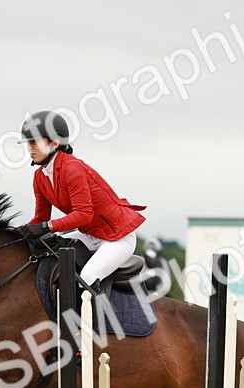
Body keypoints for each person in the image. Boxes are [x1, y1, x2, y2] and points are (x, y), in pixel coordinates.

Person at [13, 110, 146, 292]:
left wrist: (46, 227)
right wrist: (14, 234)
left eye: (34, 142)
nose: (30, 148)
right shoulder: (40, 176)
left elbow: (83, 215)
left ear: (54, 143)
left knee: (88, 277)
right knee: (46, 255)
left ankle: (93, 321)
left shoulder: (72, 169)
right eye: (28, 143)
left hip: (117, 238)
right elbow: (40, 218)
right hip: (89, 235)